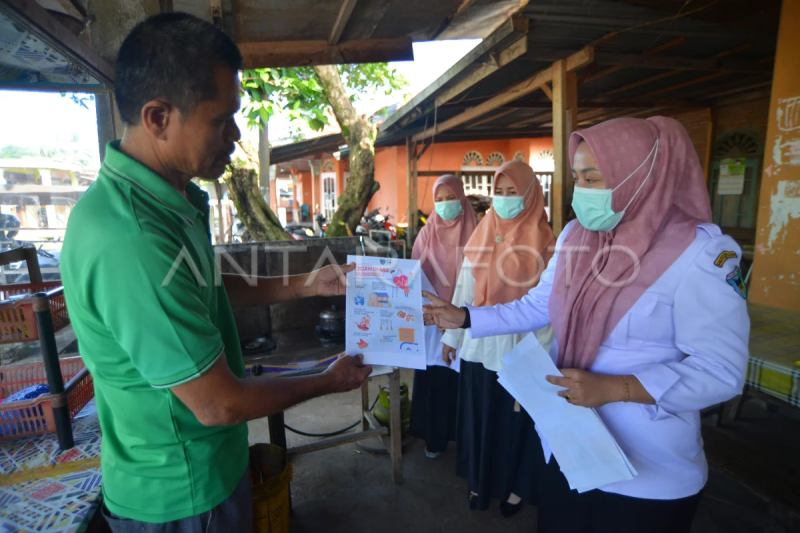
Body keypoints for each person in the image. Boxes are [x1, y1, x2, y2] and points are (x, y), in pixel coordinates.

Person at [60, 13, 372, 533]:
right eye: (220, 118)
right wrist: (327, 380)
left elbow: (200, 285)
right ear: (158, 116)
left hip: (205, 471)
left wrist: (303, 283)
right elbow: (220, 404)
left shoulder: (171, 198)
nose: (235, 134)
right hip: (180, 494)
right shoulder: (132, 239)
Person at [423, 117, 750, 533]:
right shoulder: (577, 237)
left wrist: (616, 389)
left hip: (648, 470)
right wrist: (465, 317)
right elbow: (539, 305)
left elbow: (720, 371)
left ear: (640, 174)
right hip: (568, 445)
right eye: (577, 177)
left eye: (593, 178)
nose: (581, 191)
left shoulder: (702, 253)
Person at [440, 161, 556, 517]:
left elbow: (550, 306)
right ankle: (478, 482)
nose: (504, 200)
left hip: (519, 352)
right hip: (477, 347)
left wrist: (541, 356)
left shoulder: (547, 242)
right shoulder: (484, 232)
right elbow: (463, 289)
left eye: (513, 192)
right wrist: (451, 338)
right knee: (477, 421)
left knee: (513, 426)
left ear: (531, 194)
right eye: (499, 192)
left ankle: (514, 490)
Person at [409, 174, 478, 459]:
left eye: (451, 198)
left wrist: (456, 318)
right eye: (439, 200)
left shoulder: (477, 231)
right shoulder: (427, 233)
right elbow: (413, 274)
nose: (445, 205)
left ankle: (463, 441)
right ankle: (434, 438)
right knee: (435, 379)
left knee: (463, 381)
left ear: (462, 199)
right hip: (430, 320)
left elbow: (481, 277)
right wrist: (433, 315)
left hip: (467, 318)